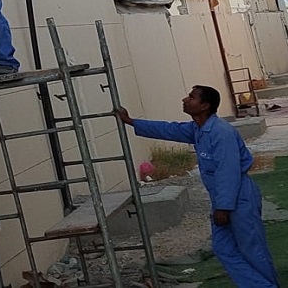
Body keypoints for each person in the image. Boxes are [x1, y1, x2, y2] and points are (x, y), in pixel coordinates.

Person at [116, 86, 279, 288]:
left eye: (191, 97)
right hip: (222, 198)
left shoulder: (221, 133)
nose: (185, 99)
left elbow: (228, 172)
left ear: (204, 106)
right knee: (223, 248)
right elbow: (169, 129)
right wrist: (131, 121)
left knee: (252, 249)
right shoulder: (198, 129)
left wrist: (223, 207)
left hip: (238, 197)